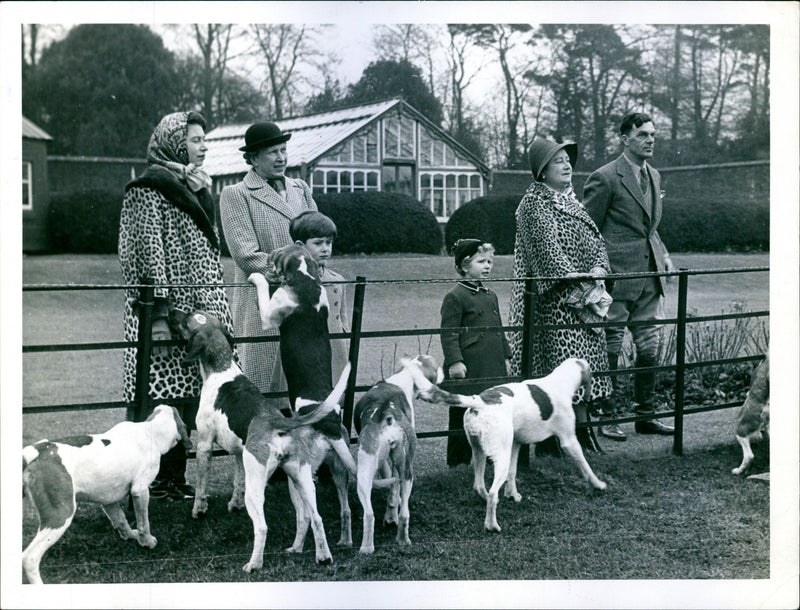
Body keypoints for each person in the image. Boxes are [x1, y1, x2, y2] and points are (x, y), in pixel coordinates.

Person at [119, 111, 234, 500]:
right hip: (165, 314)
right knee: (159, 396)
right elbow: (146, 253)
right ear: (173, 141)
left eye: (204, 139)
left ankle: (176, 478)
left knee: (186, 395)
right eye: (196, 139)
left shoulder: (197, 185)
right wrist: (156, 317)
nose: (204, 146)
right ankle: (154, 479)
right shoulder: (148, 188)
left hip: (197, 313)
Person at [507, 139, 614, 453]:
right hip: (552, 305)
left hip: (582, 301)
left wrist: (597, 268)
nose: (567, 166)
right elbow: (548, 254)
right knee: (558, 371)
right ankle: (555, 439)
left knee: (581, 369)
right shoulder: (533, 204)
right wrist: (583, 291)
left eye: (568, 160)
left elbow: (597, 242)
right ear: (542, 171)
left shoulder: (572, 201)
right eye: (558, 161)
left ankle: (580, 431)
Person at [582, 112, 675, 437]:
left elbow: (649, 227)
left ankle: (645, 415)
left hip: (650, 278)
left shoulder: (656, 176)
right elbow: (587, 230)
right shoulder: (605, 177)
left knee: (649, 345)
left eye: (652, 134)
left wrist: (663, 254)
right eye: (642, 135)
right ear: (624, 138)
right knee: (612, 344)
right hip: (616, 278)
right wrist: (598, 269)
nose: (650, 140)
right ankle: (607, 417)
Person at [219, 122, 317, 399]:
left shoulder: (301, 188)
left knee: (301, 386)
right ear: (253, 158)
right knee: (262, 387)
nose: (281, 158)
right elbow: (247, 256)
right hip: (262, 303)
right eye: (272, 152)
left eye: (283, 150)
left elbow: (317, 237)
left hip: (303, 301)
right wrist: (299, 269)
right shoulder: (236, 194)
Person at [440, 239, 511, 466]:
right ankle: (458, 462)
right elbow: (449, 333)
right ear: (464, 265)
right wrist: (455, 362)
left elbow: (499, 329)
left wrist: (506, 356)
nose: (488, 266)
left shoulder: (491, 295)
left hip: (492, 364)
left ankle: (492, 457)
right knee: (462, 412)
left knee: (491, 411)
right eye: (481, 261)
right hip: (469, 366)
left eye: (490, 261)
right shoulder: (455, 296)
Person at [288, 210, 350, 387]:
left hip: (335, 344)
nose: (325, 248)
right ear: (300, 246)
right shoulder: (292, 280)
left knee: (335, 389)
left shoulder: (337, 279)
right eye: (318, 243)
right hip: (305, 347)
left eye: (328, 243)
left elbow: (342, 317)